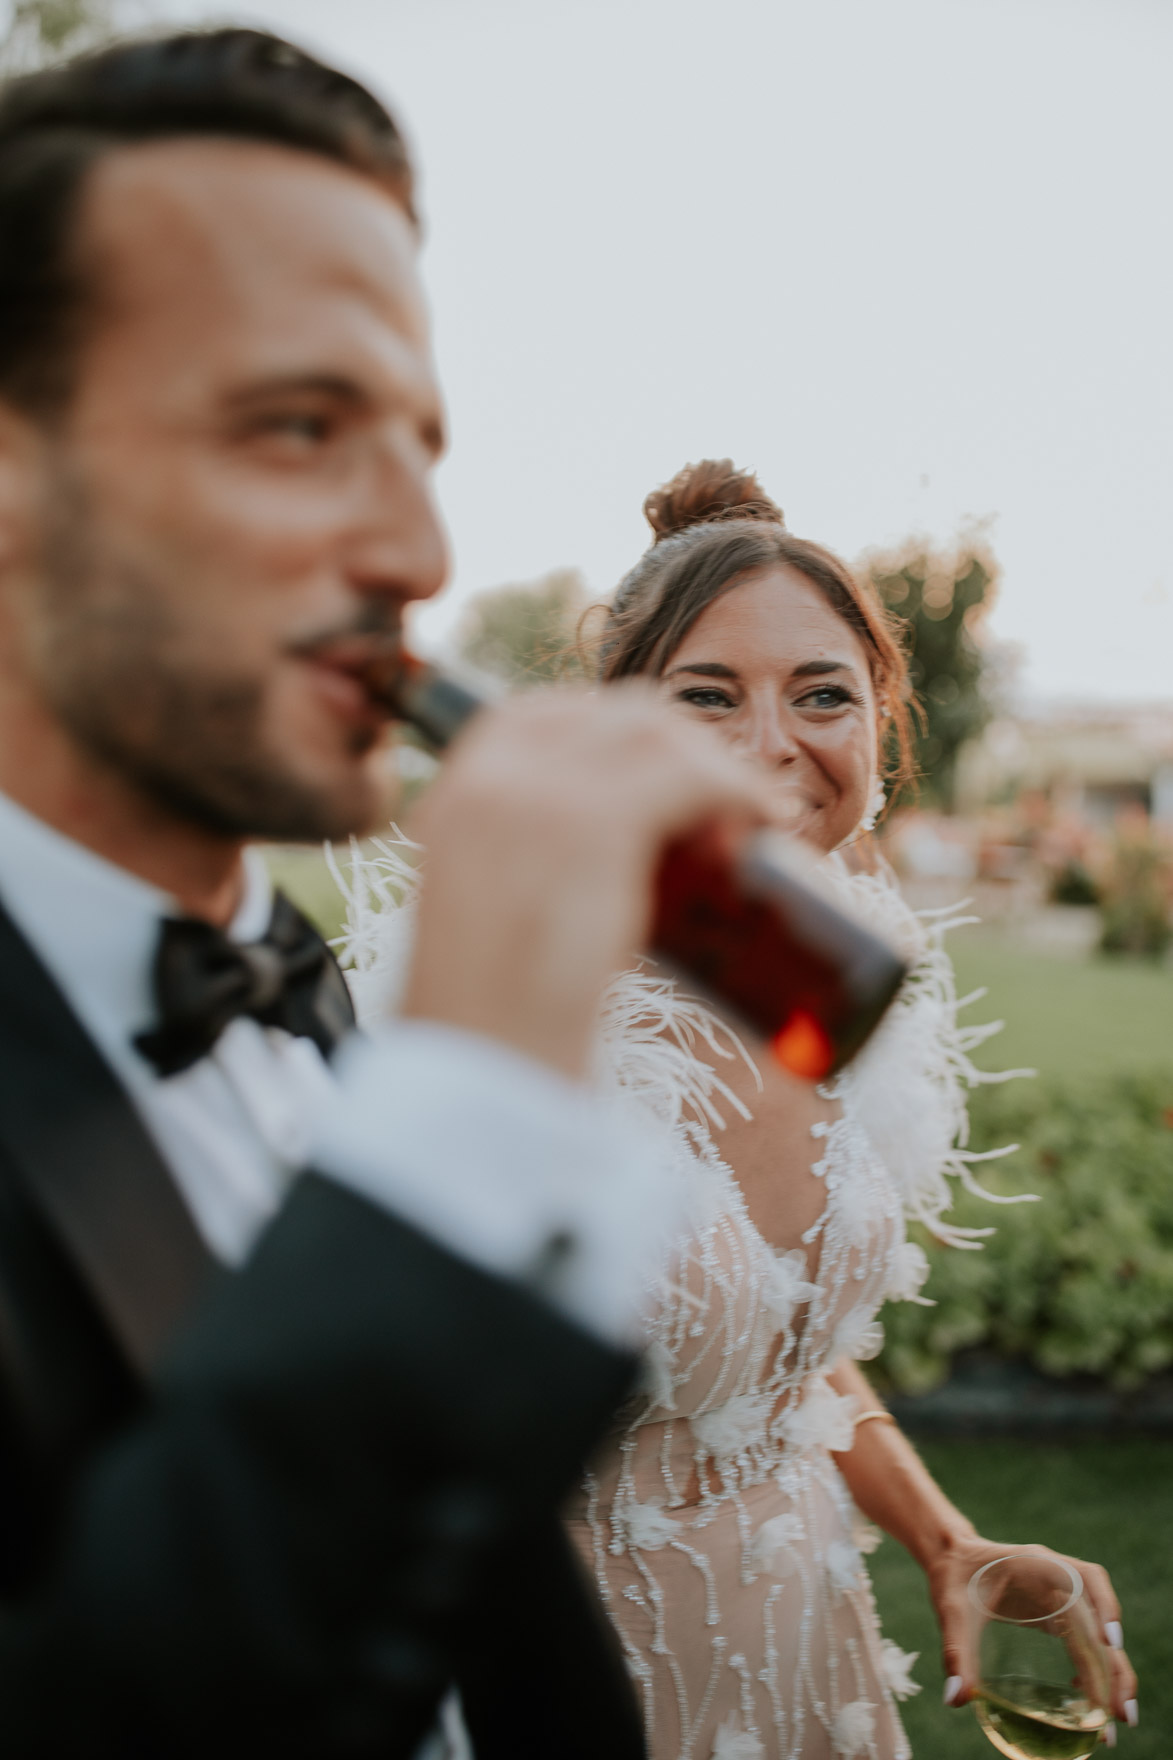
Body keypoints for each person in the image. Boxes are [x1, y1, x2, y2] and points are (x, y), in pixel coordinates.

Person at [0, 34, 782, 1758]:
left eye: (420, 446)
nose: (420, 555)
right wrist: (470, 1112)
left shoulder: (294, 989)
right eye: (299, 427)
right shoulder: (436, 1069)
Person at [557, 461, 1140, 1759]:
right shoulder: (532, 1016)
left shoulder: (832, 986)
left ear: (880, 727)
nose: (772, 743)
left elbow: (770, 1344)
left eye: (822, 694)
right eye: (704, 697)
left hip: (800, 1644)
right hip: (572, 1669)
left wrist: (943, 1539)